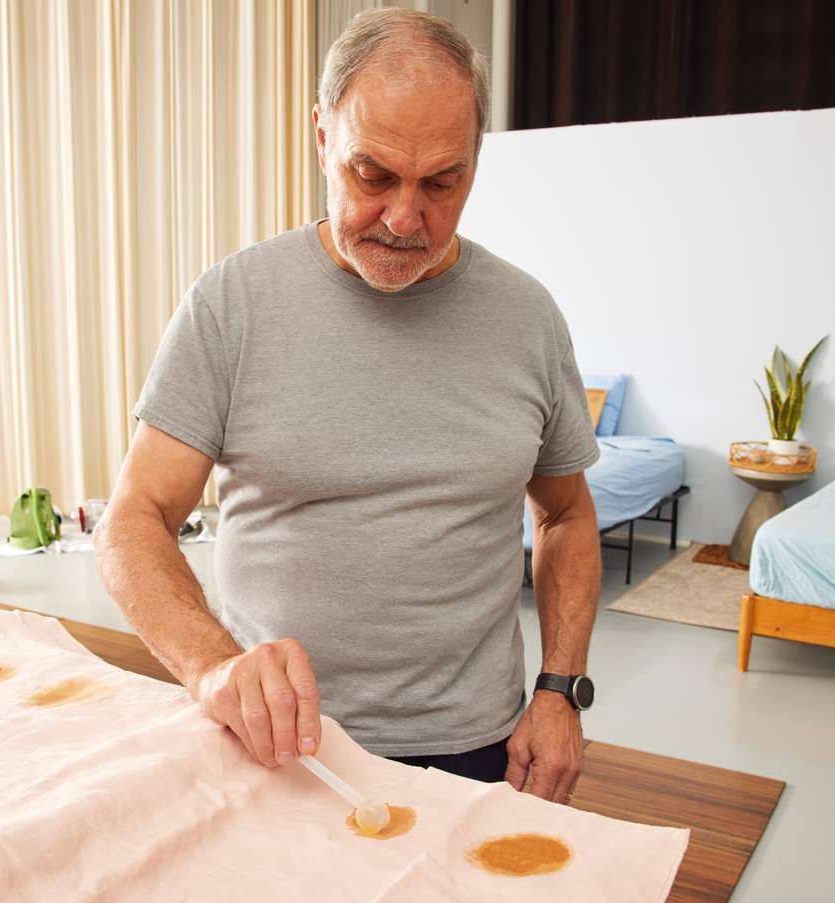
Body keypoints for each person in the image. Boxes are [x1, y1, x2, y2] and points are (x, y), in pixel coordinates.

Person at [95, 8, 601, 803]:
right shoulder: (231, 305)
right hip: (277, 745)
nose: (405, 219)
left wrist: (560, 688)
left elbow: (567, 516)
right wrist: (214, 667)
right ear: (322, 137)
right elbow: (132, 519)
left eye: (442, 181)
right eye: (373, 175)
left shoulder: (528, 318)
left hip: (481, 750)